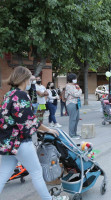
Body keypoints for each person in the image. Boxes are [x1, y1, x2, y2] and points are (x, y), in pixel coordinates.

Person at [0, 66, 68, 200]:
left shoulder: (9, 94)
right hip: (20, 141)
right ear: (24, 78)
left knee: (3, 174)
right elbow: (29, 122)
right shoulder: (21, 95)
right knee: (37, 172)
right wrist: (49, 130)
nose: (31, 81)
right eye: (30, 78)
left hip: (8, 142)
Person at [65, 73, 82, 139]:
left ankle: (75, 133)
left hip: (76, 103)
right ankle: (71, 134)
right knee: (73, 119)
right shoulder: (68, 86)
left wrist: (78, 91)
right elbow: (76, 94)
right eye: (75, 78)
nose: (76, 80)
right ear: (72, 79)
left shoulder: (75, 86)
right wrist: (80, 90)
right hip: (71, 103)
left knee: (77, 118)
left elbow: (77, 94)